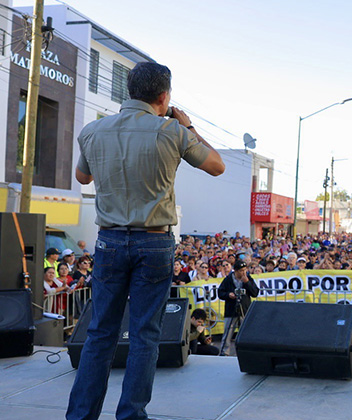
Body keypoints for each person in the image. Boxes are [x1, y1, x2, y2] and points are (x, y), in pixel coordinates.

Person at [66, 62, 224, 420]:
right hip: (154, 243)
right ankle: (131, 415)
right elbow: (216, 165)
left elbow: (82, 175)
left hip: (108, 242)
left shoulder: (93, 130)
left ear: (129, 90)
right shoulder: (172, 131)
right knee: (143, 335)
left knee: (100, 333)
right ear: (164, 97)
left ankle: (80, 415)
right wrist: (189, 126)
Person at [218, 260, 259, 356]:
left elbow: (255, 292)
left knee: (246, 332)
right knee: (228, 332)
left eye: (245, 270)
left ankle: (246, 351)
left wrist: (247, 282)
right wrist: (228, 295)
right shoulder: (228, 280)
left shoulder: (248, 278)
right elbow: (220, 292)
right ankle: (224, 352)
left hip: (244, 309)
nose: (243, 272)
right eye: (241, 270)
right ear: (235, 271)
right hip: (231, 310)